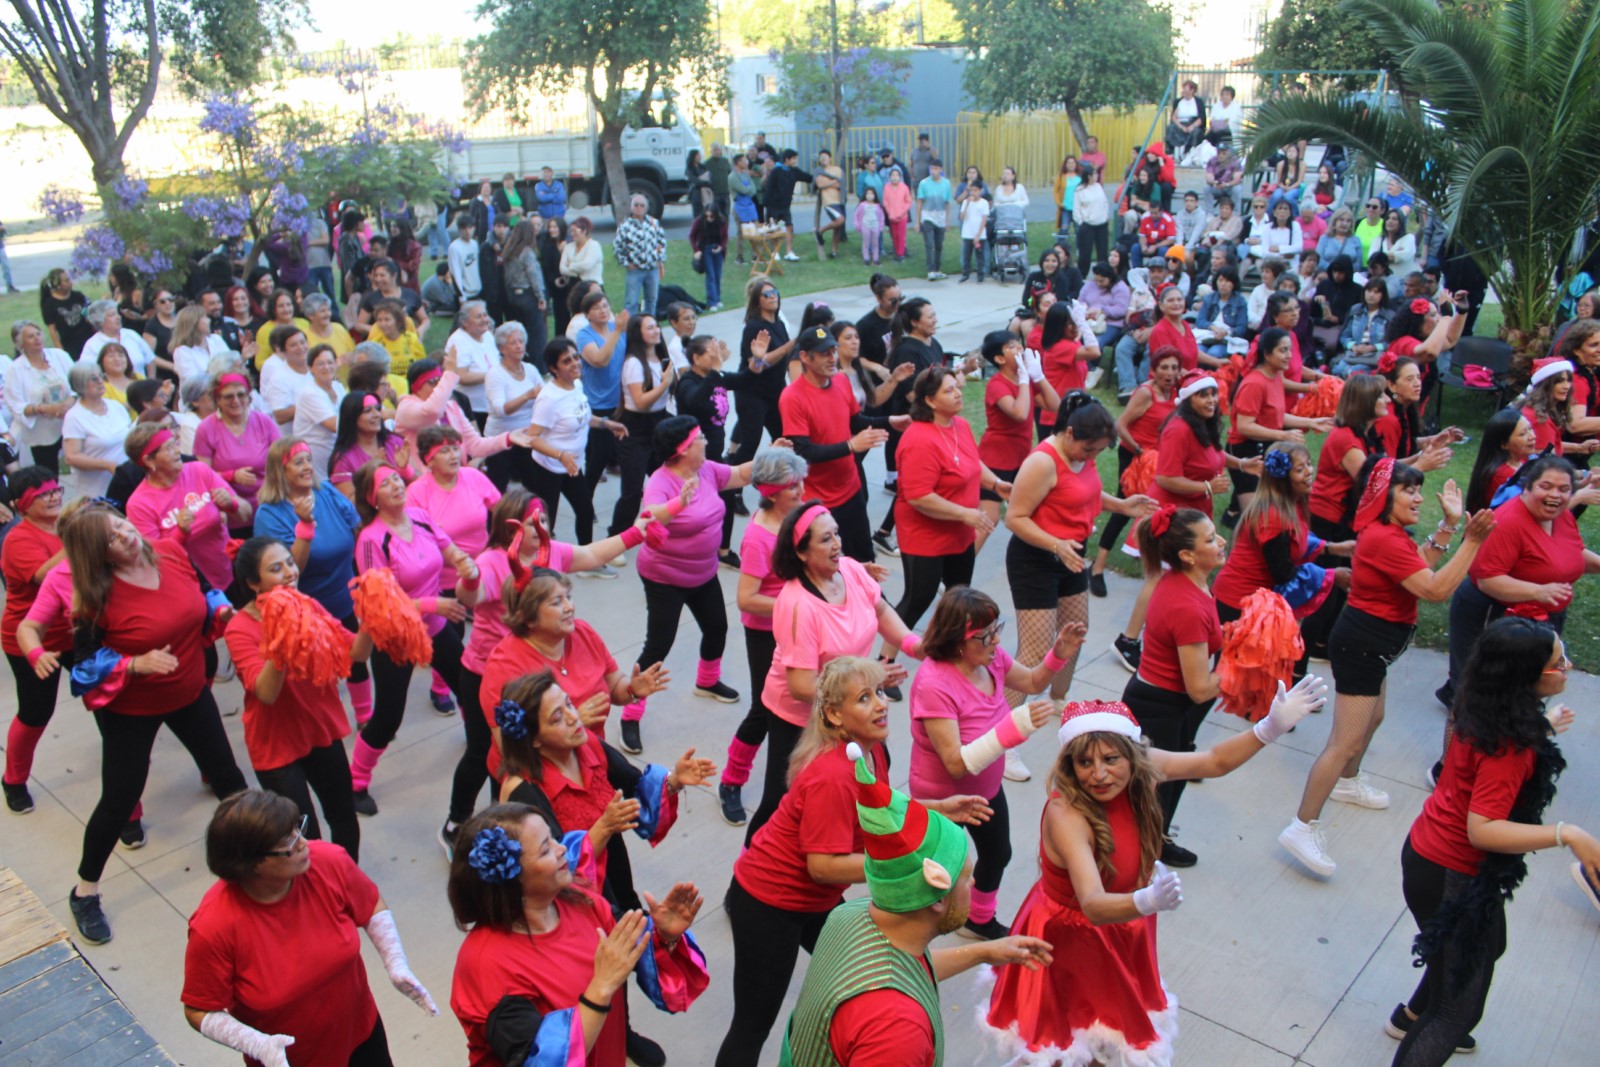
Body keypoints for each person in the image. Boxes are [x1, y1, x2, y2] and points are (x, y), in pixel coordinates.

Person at [984, 683, 1325, 1064]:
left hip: (1123, 921)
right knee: (1062, 1040)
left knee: (1105, 1034)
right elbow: (1093, 904)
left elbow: (1214, 761)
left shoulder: (1143, 769)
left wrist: (1269, 728)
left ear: (1132, 754)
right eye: (1085, 763)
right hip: (1071, 936)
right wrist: (1147, 900)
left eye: (1110, 759)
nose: (1099, 774)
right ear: (1070, 765)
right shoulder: (1067, 815)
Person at [714, 657, 990, 1067]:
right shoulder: (830, 774)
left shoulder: (871, 753)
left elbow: (879, 806)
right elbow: (822, 866)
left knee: (873, 962)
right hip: (769, 903)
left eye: (879, 692)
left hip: (816, 901)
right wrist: (902, 865)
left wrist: (936, 808)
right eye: (864, 698)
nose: (880, 704)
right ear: (833, 714)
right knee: (752, 1026)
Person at [1384, 619, 1599, 1061]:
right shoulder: (1509, 747)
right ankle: (1425, 1022)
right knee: (1454, 1013)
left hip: (1428, 853)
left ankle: (1410, 1015)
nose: (1568, 667)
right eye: (1558, 663)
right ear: (1524, 677)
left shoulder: (1485, 705)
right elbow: (1482, 829)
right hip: (1449, 876)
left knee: (1489, 945)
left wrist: (1541, 728)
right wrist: (1568, 834)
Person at [779, 734, 1053, 1066]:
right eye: (966, 876)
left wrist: (987, 952)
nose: (974, 883)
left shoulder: (848, 916)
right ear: (936, 897)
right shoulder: (897, 1030)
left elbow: (906, 968)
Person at [1279, 459, 1494, 878]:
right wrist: (1472, 541)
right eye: (1408, 490)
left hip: (1372, 648)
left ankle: (1347, 781)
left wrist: (1449, 527)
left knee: (1373, 718)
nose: (1418, 498)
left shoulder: (1389, 536)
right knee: (1343, 742)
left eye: (1418, 490)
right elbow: (1434, 589)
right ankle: (1301, 826)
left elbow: (1417, 565)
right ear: (1383, 497)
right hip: (1361, 647)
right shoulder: (1382, 538)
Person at [58, 502, 249, 944]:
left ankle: (261, 857)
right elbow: (82, 669)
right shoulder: (95, 595)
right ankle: (85, 891)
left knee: (230, 781)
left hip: (189, 691)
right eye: (111, 538)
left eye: (121, 525)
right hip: (132, 710)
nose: (125, 535)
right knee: (119, 800)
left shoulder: (170, 551)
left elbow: (207, 592)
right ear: (98, 554)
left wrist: (223, 612)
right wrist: (133, 663)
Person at [182, 790, 436, 1067]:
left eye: (297, 829)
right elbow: (198, 1009)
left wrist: (395, 960)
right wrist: (256, 1043)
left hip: (360, 1036)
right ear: (251, 865)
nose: (303, 843)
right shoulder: (213, 927)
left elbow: (370, 903)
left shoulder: (327, 860)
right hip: (288, 1059)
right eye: (288, 842)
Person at [447, 801, 709, 1067]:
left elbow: (634, 956)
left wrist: (664, 937)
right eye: (545, 849)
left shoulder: (581, 901)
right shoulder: (485, 966)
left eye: (553, 838)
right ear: (511, 880)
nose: (562, 849)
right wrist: (602, 985)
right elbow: (541, 1060)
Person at [746, 504, 925, 840]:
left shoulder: (851, 570)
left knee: (874, 771)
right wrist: (867, 682)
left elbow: (880, 609)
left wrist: (915, 645)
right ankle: (751, 862)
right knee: (782, 800)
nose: (837, 544)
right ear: (801, 553)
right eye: (826, 539)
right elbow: (801, 685)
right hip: (799, 717)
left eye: (837, 534)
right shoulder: (798, 605)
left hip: (850, 705)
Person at [911, 586, 1083, 932]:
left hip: (986, 790)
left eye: (996, 629)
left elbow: (1032, 681)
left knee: (997, 854)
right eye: (985, 635)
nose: (996, 640)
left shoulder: (992, 660)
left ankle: (979, 920)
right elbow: (955, 764)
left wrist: (1057, 654)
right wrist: (1013, 729)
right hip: (942, 800)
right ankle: (916, 933)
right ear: (958, 641)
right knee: (937, 872)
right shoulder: (934, 684)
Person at [620, 416, 766, 753]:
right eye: (699, 437)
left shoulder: (707, 470)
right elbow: (649, 516)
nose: (705, 440)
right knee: (658, 646)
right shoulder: (661, 482)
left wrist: (772, 456)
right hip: (664, 578)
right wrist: (679, 503)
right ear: (683, 449)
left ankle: (707, 681)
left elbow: (741, 474)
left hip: (703, 572)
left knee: (717, 628)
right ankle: (630, 712)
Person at [1004, 393, 1155, 709]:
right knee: (1035, 649)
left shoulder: (1083, 454)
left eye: (1099, 450)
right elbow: (1015, 518)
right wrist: (1055, 544)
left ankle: (1059, 698)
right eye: (1089, 449)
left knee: (1074, 634)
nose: (1093, 456)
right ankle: (1002, 724)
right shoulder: (1042, 462)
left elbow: (1085, 492)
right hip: (1035, 560)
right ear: (1070, 432)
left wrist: (1122, 505)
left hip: (1070, 556)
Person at [347, 461, 480, 815]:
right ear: (372, 498)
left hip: (434, 627)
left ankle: (478, 742)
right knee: (388, 718)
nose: (396, 485)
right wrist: (435, 604)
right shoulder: (371, 539)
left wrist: (464, 563)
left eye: (396, 478)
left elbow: (448, 548)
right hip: (397, 639)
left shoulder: (419, 517)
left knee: (467, 685)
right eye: (385, 483)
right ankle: (355, 783)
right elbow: (381, 604)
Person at [223, 537, 366, 859]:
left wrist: (373, 619)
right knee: (303, 836)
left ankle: (345, 878)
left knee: (344, 817)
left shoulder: (308, 605)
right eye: (276, 568)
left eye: (289, 562)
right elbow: (265, 693)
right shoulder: (239, 628)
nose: (290, 572)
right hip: (277, 746)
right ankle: (314, 886)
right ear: (253, 583)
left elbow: (356, 652)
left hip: (320, 729)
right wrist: (281, 640)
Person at [1439, 454, 1600, 711]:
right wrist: (1539, 591)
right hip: (1493, 616)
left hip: (1541, 618)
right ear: (1527, 487)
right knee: (1481, 695)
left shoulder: (1561, 516)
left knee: (1523, 690)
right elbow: (1487, 579)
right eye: (1546, 486)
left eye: (1563, 489)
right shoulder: (1508, 521)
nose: (1555, 495)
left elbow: (1571, 553)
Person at [876, 367, 1012, 670]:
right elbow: (918, 496)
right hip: (924, 535)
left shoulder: (960, 425)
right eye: (949, 390)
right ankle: (884, 664)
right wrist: (965, 513)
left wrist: (995, 484)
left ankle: (947, 654)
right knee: (918, 598)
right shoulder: (918, 439)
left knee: (959, 597)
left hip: (959, 532)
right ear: (930, 400)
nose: (958, 393)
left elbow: (971, 462)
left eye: (956, 387)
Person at [780, 324, 901, 562]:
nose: (832, 358)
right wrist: (850, 446)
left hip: (851, 490)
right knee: (823, 564)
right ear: (805, 357)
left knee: (865, 561)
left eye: (833, 351)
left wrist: (889, 421)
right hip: (817, 500)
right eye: (824, 353)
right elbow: (802, 451)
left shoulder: (842, 381)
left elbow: (856, 421)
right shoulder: (792, 397)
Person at [1090, 347, 1182, 600]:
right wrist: (1141, 451)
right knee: (1124, 509)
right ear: (1154, 369)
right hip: (1135, 458)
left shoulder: (1176, 393)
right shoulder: (1145, 393)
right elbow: (1119, 424)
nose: (1170, 373)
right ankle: (1097, 567)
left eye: (1174, 368)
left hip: (1161, 461)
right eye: (1164, 367)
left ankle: (1154, 568)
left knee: (1156, 511)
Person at [2, 469, 68, 814]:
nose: (54, 497)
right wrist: (78, 539)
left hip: (75, 631)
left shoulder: (66, 526)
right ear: (22, 505)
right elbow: (45, 575)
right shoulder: (17, 539)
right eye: (43, 494)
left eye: (56, 490)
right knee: (36, 712)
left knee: (109, 703)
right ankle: (13, 780)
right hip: (31, 639)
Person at [1224, 327, 1334, 521]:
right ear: (1267, 354)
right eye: (1283, 350)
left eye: (1290, 350)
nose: (1289, 356)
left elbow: (1276, 416)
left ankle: (1234, 511)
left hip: (1265, 445)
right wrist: (1282, 435)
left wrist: (1312, 422)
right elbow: (1244, 426)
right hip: (1245, 450)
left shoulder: (1275, 376)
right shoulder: (1254, 384)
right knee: (1256, 520)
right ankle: (1235, 512)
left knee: (1276, 509)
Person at [127, 420, 252, 589]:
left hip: (229, 574)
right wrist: (181, 532)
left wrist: (232, 504)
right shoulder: (139, 504)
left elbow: (246, 513)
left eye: (175, 444)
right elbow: (155, 558)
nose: (177, 450)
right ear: (149, 461)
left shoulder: (199, 470)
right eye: (169, 448)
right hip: (188, 586)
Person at [611, 314, 678, 537]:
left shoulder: (662, 358)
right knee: (632, 490)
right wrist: (664, 384)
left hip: (659, 424)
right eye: (649, 328)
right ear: (637, 334)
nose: (656, 330)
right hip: (635, 428)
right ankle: (617, 538)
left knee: (668, 480)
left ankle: (670, 528)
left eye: (656, 326)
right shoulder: (633, 363)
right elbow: (640, 401)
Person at [193, 371, 281, 529]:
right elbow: (202, 476)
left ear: (249, 396)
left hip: (268, 506)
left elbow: (282, 461)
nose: (236, 401)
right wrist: (232, 476)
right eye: (228, 396)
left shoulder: (264, 422)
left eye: (241, 394)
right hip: (230, 511)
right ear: (218, 399)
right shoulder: (206, 429)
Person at [6, 322, 75, 472]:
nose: (37, 338)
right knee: (48, 474)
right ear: (21, 344)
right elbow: (15, 405)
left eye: (38, 334)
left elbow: (76, 384)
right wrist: (44, 409)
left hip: (69, 424)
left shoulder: (60, 356)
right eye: (30, 336)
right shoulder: (15, 370)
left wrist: (69, 402)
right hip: (40, 434)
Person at [61, 362, 133, 501]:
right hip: (97, 490)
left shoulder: (115, 407)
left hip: (126, 484)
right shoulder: (75, 417)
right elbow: (71, 456)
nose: (100, 381)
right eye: (94, 379)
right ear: (80, 385)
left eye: (101, 376)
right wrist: (108, 465)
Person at [39, 269, 95, 356]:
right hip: (70, 345)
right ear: (58, 285)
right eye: (66, 280)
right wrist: (60, 350)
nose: (70, 282)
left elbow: (90, 314)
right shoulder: (49, 304)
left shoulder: (78, 296)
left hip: (88, 340)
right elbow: (52, 330)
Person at [915, 159, 953, 280]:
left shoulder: (946, 183)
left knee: (939, 245)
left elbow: (947, 202)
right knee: (929, 244)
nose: (933, 171)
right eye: (931, 168)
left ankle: (937, 269)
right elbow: (919, 203)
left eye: (936, 168)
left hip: (940, 217)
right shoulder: (924, 183)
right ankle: (930, 270)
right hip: (928, 217)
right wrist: (917, 221)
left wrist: (947, 220)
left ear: (940, 169)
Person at [688, 202, 727, 311]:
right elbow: (692, 236)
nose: (709, 218)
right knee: (711, 275)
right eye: (707, 216)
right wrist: (696, 250)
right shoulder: (699, 221)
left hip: (717, 249)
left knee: (718, 274)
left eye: (711, 216)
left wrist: (721, 247)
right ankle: (711, 302)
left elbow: (725, 236)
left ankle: (717, 299)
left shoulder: (721, 221)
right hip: (705, 249)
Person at [958, 181, 991, 283]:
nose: (973, 192)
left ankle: (980, 275)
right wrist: (967, 204)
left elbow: (984, 219)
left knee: (980, 256)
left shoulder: (984, 203)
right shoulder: (965, 202)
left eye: (975, 190)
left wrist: (978, 235)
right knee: (966, 255)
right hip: (967, 233)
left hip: (979, 234)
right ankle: (965, 274)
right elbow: (962, 217)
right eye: (971, 190)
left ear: (980, 191)